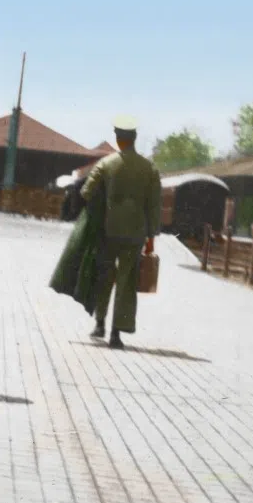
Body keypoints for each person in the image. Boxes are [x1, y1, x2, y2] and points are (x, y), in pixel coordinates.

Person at [80, 116, 161, 349]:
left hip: (108, 231)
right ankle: (116, 334)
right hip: (135, 233)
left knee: (104, 276)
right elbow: (154, 206)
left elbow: (86, 192)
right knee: (127, 282)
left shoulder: (106, 164)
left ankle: (100, 324)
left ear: (118, 138)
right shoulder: (149, 168)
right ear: (134, 138)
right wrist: (151, 239)